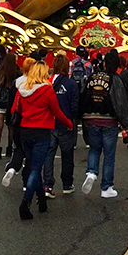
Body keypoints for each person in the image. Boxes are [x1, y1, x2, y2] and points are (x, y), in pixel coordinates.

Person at [11, 61, 73, 220]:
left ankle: (42, 199)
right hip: (42, 132)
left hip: (25, 131)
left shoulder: (22, 90)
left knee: (33, 165)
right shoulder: (47, 91)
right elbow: (57, 112)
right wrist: (68, 123)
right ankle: (25, 202)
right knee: (35, 168)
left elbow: (14, 110)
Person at [80, 49, 128, 198]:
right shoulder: (115, 79)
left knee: (94, 149)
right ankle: (106, 187)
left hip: (91, 118)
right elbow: (121, 103)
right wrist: (127, 125)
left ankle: (91, 172)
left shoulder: (92, 76)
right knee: (109, 155)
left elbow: (83, 94)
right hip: (109, 120)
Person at [43, 53, 78, 198]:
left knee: (49, 155)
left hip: (49, 123)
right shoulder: (71, 84)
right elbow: (75, 106)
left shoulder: (48, 82)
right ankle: (67, 183)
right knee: (67, 154)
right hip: (66, 123)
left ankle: (48, 184)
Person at [2, 56, 36, 187]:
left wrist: (9, 119)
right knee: (31, 153)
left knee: (19, 148)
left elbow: (11, 103)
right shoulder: (36, 83)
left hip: (17, 121)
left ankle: (12, 167)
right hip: (31, 121)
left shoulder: (17, 82)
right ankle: (26, 182)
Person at [0, 52, 21, 159]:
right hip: (11, 101)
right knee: (11, 127)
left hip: (0, 100)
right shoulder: (16, 72)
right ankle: (9, 148)